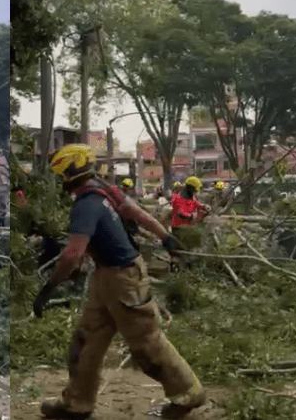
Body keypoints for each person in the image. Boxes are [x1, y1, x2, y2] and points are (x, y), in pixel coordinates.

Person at [35, 144, 205, 420]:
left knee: (147, 343)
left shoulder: (86, 204)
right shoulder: (103, 190)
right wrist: (165, 237)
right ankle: (76, 403)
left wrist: (49, 287)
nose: (59, 181)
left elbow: (72, 254)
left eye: (60, 174)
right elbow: (137, 213)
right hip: (106, 277)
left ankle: (189, 393)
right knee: (86, 340)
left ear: (71, 171)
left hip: (125, 278)